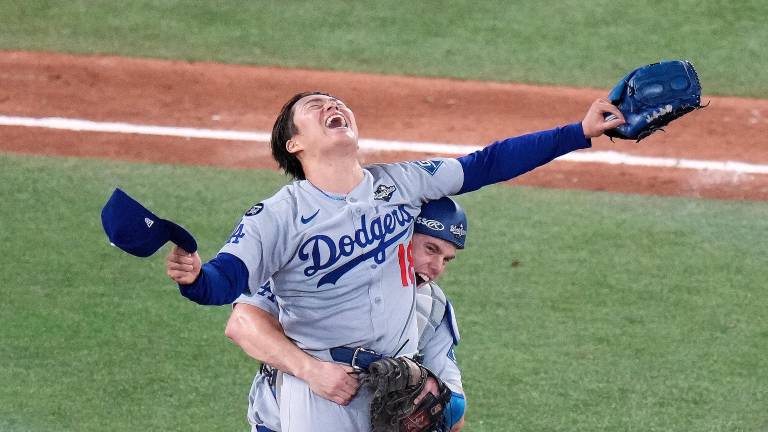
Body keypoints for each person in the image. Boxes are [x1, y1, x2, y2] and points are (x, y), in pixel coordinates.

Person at [166, 91, 625, 431]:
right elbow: (223, 283)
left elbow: (487, 163)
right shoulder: (276, 217)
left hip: (398, 386)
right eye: (315, 106)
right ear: (294, 144)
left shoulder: (402, 183)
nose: (332, 105)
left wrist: (578, 132)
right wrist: (195, 277)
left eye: (336, 101)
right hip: (323, 387)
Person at [227, 198, 470, 432]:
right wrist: (311, 371)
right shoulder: (324, 265)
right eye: (430, 249)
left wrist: (427, 393)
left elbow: (455, 414)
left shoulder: (432, 306)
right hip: (278, 421)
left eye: (446, 260)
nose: (437, 267)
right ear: (401, 232)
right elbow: (242, 324)